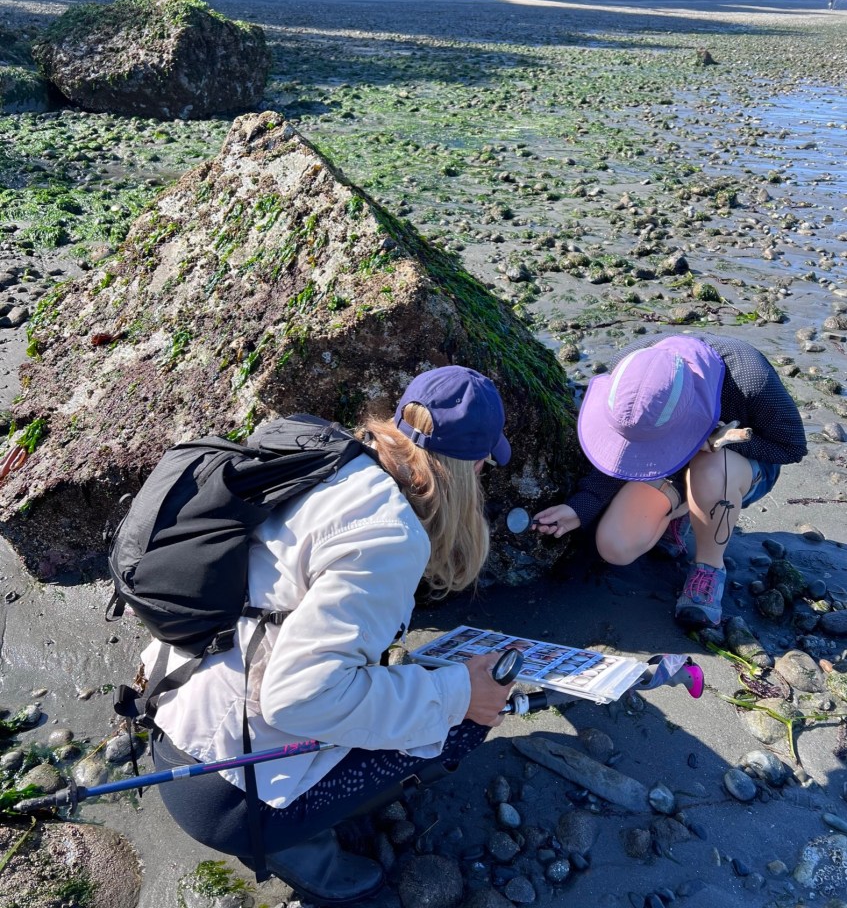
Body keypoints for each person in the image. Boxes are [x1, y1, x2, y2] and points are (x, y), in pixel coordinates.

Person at [142, 365, 513, 905]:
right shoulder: (391, 537)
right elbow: (297, 698)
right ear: (470, 466)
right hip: (225, 794)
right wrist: (459, 695)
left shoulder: (329, 461)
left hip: (170, 721)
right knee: (463, 723)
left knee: (423, 692)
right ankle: (294, 844)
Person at [533, 334, 807, 629]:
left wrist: (713, 439)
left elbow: (791, 447)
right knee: (615, 545)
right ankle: (682, 510)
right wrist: (581, 507)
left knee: (713, 467)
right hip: (665, 461)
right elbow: (624, 451)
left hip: (734, 466)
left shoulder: (749, 377)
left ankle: (709, 566)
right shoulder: (629, 365)